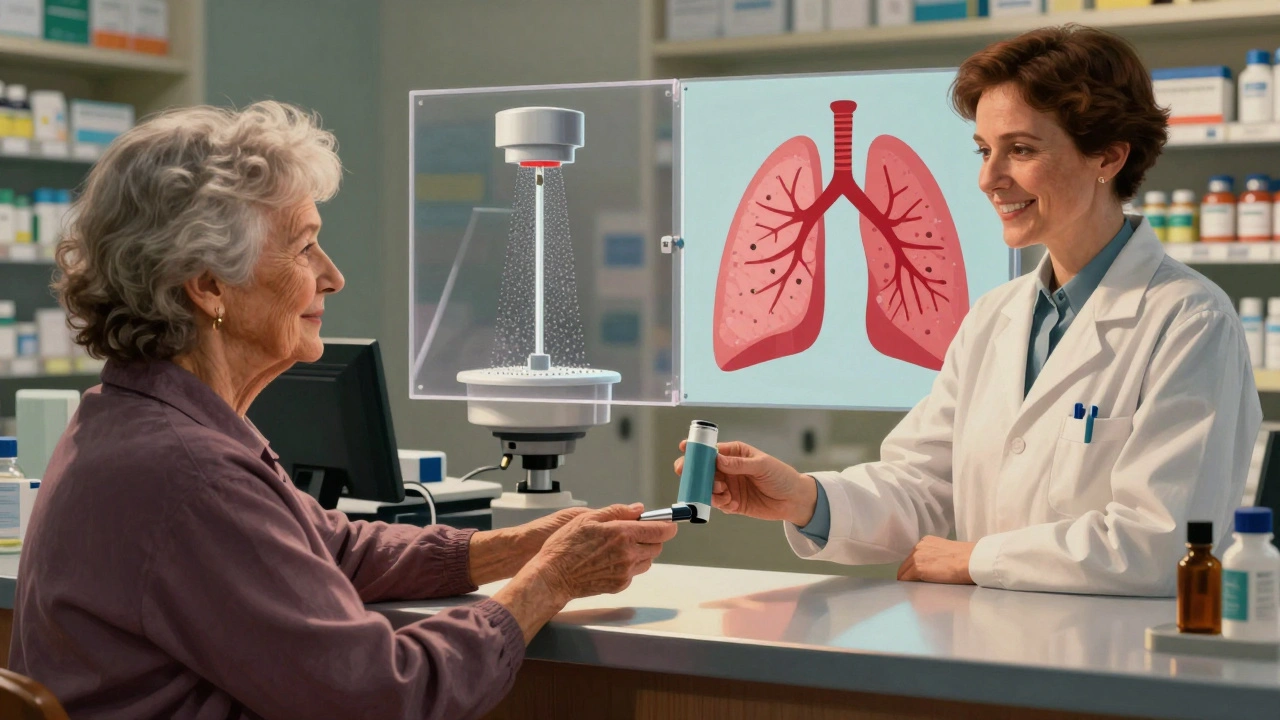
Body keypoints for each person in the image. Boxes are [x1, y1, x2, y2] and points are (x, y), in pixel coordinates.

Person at [9, 101, 678, 720]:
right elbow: (387, 695)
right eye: (304, 247)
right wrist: (549, 582)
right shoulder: (188, 475)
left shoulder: (139, 421)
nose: (332, 275)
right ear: (209, 285)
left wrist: (518, 546)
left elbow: (336, 548)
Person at [677, 25, 1261, 597]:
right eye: (984, 150)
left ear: (1107, 156)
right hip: (986, 648)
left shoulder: (1188, 321)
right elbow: (925, 484)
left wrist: (976, 558)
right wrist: (804, 497)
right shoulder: (995, 316)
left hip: (1115, 664)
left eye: (1021, 150)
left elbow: (1164, 543)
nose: (988, 178)